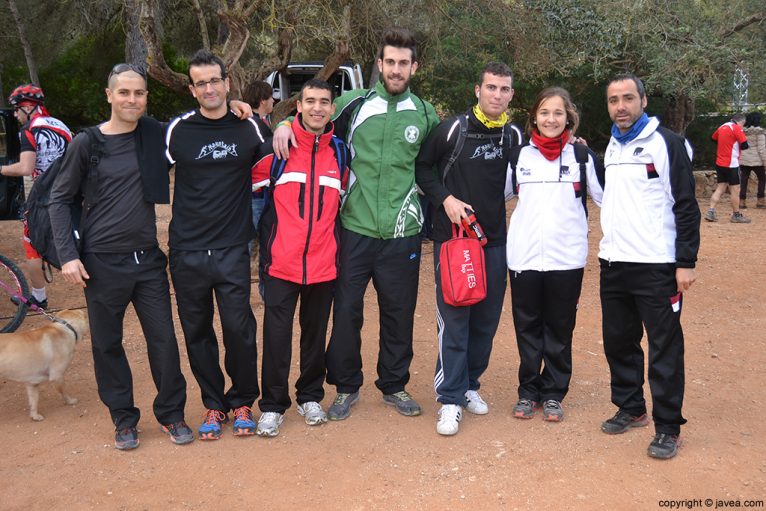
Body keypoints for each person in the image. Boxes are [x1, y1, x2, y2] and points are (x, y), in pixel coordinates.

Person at [273, 28, 439, 421]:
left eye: (404, 63)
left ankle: (394, 384)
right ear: (379, 65)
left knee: (398, 312)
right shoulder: (352, 103)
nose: (396, 70)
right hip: (354, 228)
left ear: (413, 67)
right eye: (390, 62)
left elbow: (435, 166)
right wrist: (281, 126)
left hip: (402, 233)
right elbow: (313, 120)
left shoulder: (426, 114)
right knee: (346, 312)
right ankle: (346, 387)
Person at [48, 64, 190, 450]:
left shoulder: (154, 135)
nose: (132, 100)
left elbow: (195, 123)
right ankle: (124, 419)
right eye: (124, 93)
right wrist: (68, 256)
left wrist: (241, 106)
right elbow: (59, 199)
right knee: (107, 344)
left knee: (163, 339)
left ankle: (171, 414)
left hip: (147, 260)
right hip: (100, 262)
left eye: (139, 93)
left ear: (146, 97)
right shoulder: (87, 143)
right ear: (109, 95)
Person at [415, 62, 522, 436]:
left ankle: (470, 385)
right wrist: (445, 199)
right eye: (491, 87)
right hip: (454, 242)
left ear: (511, 95)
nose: (497, 94)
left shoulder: (512, 135)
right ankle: (449, 398)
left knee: (487, 321)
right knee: (455, 321)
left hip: (494, 241)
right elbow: (423, 169)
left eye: (504, 89)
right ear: (478, 90)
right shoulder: (452, 130)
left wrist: (571, 142)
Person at [166, 49, 267, 440]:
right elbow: (147, 163)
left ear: (227, 83)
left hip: (232, 248)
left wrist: (278, 124)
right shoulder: (178, 130)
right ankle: (213, 405)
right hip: (187, 250)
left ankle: (242, 400)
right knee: (197, 330)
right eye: (201, 83)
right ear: (193, 89)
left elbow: (277, 153)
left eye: (215, 80)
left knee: (238, 327)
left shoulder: (248, 127)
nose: (209, 88)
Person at [599, 73, 700, 460]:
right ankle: (631, 407)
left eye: (627, 98)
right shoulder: (612, 144)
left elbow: (685, 206)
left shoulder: (666, 143)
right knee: (619, 341)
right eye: (613, 100)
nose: (620, 106)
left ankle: (669, 427)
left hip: (657, 267)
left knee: (664, 348)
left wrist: (685, 262)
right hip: (614, 263)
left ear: (642, 100)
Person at [250, 79, 347, 437]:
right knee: (276, 336)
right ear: (299, 106)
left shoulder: (341, 152)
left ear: (332, 108)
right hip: (281, 262)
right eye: (310, 101)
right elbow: (250, 192)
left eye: (324, 102)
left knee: (314, 335)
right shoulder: (276, 148)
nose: (317, 108)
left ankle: (310, 396)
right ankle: (273, 406)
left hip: (324, 263)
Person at [506, 87, 604, 424]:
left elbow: (609, 198)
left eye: (558, 113)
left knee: (560, 328)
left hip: (567, 258)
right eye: (545, 112)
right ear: (534, 116)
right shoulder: (519, 156)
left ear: (568, 118)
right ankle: (528, 391)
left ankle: (553, 393)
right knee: (527, 327)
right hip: (524, 257)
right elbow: (497, 196)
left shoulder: (582, 158)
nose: (551, 119)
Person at [0, 84, 72, 310]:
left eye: (17, 109)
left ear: (29, 107)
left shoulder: (29, 129)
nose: (15, 114)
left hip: (46, 194)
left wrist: (1, 169)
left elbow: (25, 167)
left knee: (31, 244)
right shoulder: (60, 125)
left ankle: (38, 298)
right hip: (71, 190)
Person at [706, 113, 750, 223]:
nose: (742, 127)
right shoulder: (736, 128)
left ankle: (711, 211)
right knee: (735, 189)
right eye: (743, 124)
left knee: (721, 187)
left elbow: (713, 138)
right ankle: (736, 215)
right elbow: (745, 145)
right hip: (731, 164)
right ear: (741, 122)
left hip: (720, 162)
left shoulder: (722, 126)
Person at [739, 112, 766, 209]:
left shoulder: (742, 131)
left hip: (744, 159)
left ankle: (742, 201)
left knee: (744, 180)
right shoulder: (760, 132)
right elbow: (762, 149)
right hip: (757, 161)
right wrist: (765, 162)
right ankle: (760, 200)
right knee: (762, 179)